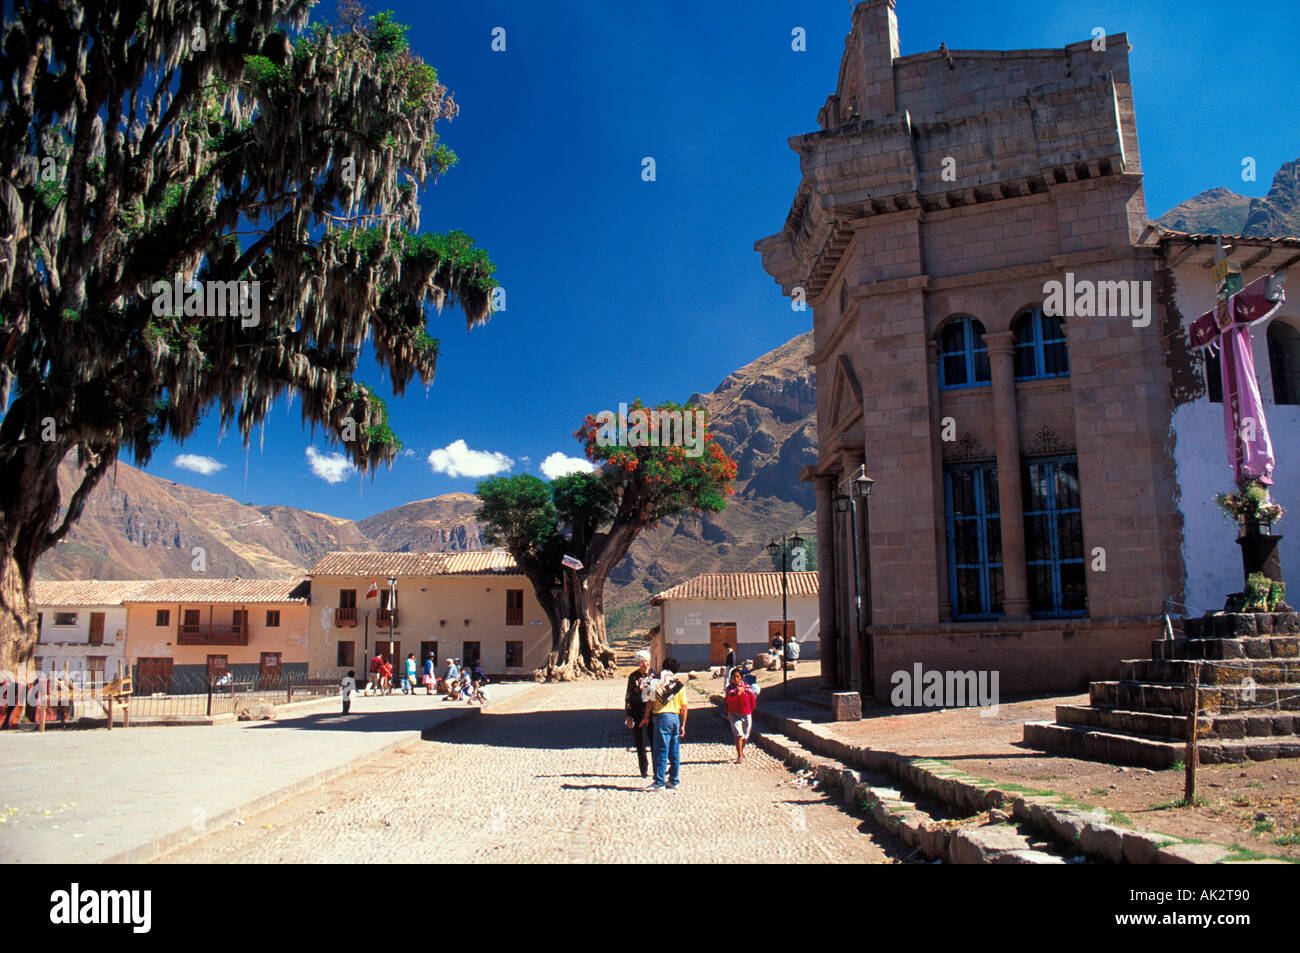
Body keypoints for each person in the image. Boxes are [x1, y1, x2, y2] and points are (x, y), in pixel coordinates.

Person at [640, 656, 687, 791]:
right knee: (674, 751)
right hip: (675, 718)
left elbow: (647, 700)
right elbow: (684, 706)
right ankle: (674, 780)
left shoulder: (654, 681)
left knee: (661, 750)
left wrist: (646, 717)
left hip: (661, 717)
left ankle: (659, 781)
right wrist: (683, 725)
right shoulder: (679, 685)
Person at [624, 650, 653, 778]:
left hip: (652, 711)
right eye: (641, 662)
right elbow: (628, 696)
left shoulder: (654, 675)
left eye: (646, 661)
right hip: (637, 710)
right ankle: (644, 769)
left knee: (654, 741)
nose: (644, 664)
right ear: (638, 664)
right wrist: (628, 715)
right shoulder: (633, 677)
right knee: (639, 742)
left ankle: (658, 767)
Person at [724, 667, 758, 763]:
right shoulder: (729, 689)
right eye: (733, 677)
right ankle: (739, 755)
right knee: (739, 734)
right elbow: (728, 701)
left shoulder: (747, 687)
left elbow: (753, 698)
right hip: (733, 714)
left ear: (741, 678)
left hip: (746, 713)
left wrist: (751, 707)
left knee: (745, 736)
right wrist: (738, 693)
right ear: (730, 678)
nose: (736, 679)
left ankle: (741, 750)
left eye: (738, 677)